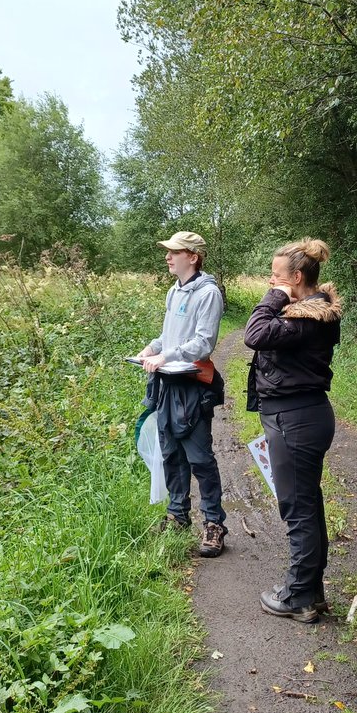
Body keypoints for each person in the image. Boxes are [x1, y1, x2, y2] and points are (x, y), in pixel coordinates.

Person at [244, 239, 342, 623]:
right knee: (307, 503)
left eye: (277, 275)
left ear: (296, 278)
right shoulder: (305, 313)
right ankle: (311, 589)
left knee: (298, 508)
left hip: (295, 420)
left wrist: (273, 295)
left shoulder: (307, 318)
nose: (271, 280)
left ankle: (298, 595)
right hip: (299, 416)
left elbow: (254, 333)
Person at [136, 230, 227, 557]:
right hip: (166, 385)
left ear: (193, 256)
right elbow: (168, 336)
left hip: (192, 387)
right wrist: (153, 348)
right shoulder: (174, 292)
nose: (168, 257)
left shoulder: (208, 294)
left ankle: (214, 524)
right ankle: (177, 516)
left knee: (200, 458)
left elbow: (204, 342)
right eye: (168, 252)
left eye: (174, 252)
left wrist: (168, 356)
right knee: (171, 454)